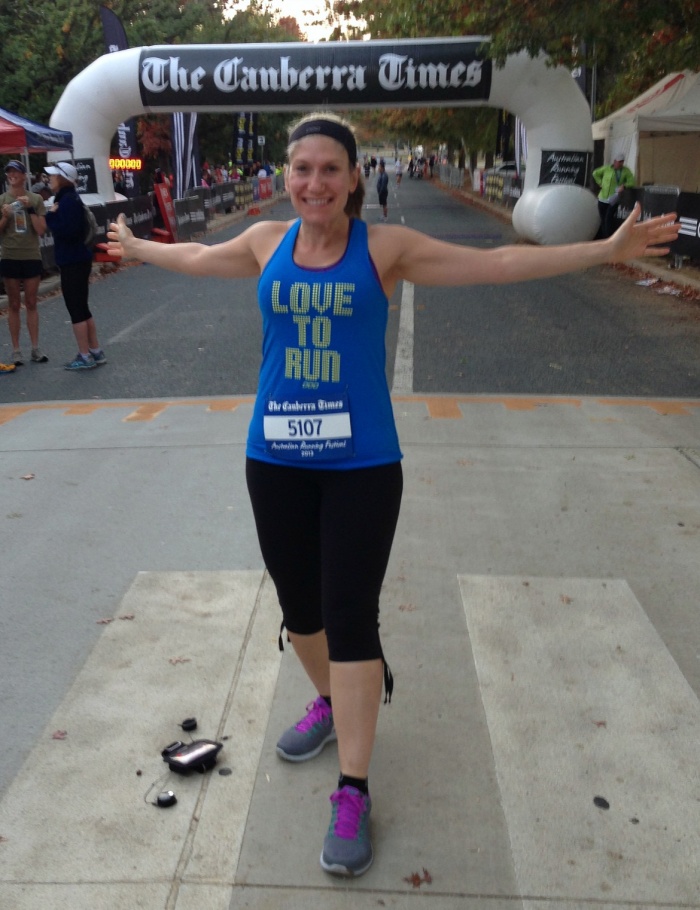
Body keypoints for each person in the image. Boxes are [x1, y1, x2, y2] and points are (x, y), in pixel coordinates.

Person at [105, 111, 679, 879]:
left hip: (361, 467)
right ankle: (337, 695)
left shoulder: (385, 249)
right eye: (302, 169)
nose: (315, 183)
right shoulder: (266, 242)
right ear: (288, 176)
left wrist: (604, 249)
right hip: (274, 459)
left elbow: (499, 266)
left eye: (330, 169)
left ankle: (353, 785)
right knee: (300, 612)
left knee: (349, 618)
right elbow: (202, 257)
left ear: (352, 179)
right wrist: (140, 246)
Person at [43, 162, 106, 370]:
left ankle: (85, 355)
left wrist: (51, 216)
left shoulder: (67, 201)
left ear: (63, 179)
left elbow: (67, 231)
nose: (49, 179)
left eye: (53, 176)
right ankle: (95, 351)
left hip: (73, 260)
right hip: (79, 258)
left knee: (76, 309)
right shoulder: (71, 198)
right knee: (82, 307)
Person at [0, 160, 49, 364]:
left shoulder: (35, 198)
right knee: (13, 304)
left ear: (24, 176)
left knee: (31, 302)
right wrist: (5, 216)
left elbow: (41, 230)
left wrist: (29, 210)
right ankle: (17, 350)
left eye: (16, 172)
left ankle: (35, 348)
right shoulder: (2, 199)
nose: (12, 175)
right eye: (9, 172)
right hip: (10, 255)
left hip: (30, 255)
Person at [593, 154, 635, 238]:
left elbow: (632, 182)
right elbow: (595, 173)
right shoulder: (607, 168)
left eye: (620, 162)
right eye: (616, 162)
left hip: (614, 198)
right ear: (614, 161)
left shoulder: (626, 171)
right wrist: (600, 182)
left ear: (622, 162)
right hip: (602, 198)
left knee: (608, 218)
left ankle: (608, 238)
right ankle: (604, 238)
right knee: (603, 219)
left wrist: (624, 186)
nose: (617, 164)